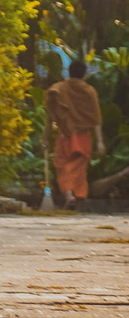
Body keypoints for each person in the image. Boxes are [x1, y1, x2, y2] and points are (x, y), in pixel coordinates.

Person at [45, 57, 104, 208]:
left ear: (69, 73)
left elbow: (50, 116)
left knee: (62, 165)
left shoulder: (58, 89)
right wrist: (100, 141)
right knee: (78, 167)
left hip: (64, 135)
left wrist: (45, 137)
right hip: (83, 136)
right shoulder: (90, 92)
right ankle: (76, 196)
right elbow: (96, 118)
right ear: (84, 75)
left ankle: (69, 195)